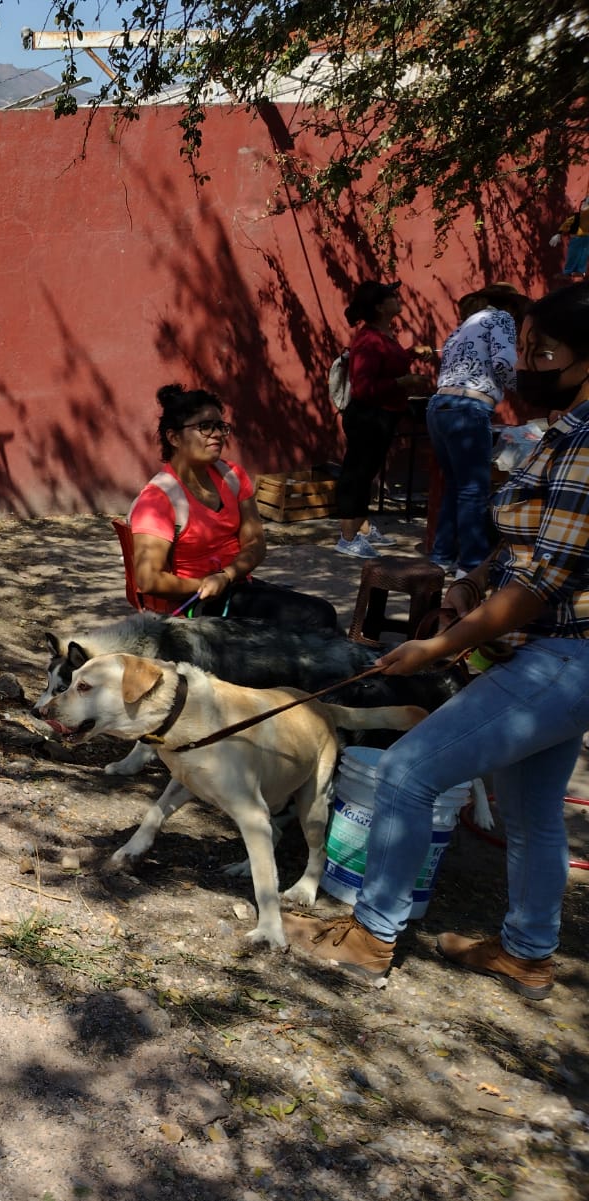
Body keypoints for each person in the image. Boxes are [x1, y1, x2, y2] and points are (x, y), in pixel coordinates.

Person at [285, 281, 589, 998]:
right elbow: (526, 544)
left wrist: (442, 644)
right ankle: (528, 951)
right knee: (532, 810)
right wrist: (475, 577)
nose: (526, 365)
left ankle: (371, 934)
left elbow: (543, 582)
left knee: (408, 771)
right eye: (525, 349)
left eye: (542, 350)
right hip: (548, 652)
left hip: (561, 657)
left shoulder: (588, 440)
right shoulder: (564, 431)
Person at [128, 383, 339, 631]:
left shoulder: (232, 475)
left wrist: (226, 575)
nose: (217, 434)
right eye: (205, 427)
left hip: (234, 586)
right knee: (318, 617)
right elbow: (148, 579)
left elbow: (255, 543)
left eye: (220, 426)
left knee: (325, 622)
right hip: (196, 604)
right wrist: (203, 584)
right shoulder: (158, 499)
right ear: (173, 437)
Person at [425, 283, 530, 575]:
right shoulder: (501, 319)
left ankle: (441, 557)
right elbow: (504, 362)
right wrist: (530, 389)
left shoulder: (462, 327)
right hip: (468, 409)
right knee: (473, 490)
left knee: (455, 486)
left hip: (439, 408)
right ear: (510, 306)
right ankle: (470, 565)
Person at [333, 279, 435, 559]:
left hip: (384, 415)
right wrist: (403, 382)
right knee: (356, 473)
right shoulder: (368, 341)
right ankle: (347, 536)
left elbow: (388, 364)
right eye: (392, 296)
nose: (398, 298)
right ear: (379, 306)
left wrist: (411, 354)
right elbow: (363, 388)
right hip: (368, 416)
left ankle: (362, 527)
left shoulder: (384, 335)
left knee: (367, 473)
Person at [549, 196, 589, 282]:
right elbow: (567, 224)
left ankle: (580, 271)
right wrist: (559, 233)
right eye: (584, 203)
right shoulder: (576, 217)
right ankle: (569, 272)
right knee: (573, 254)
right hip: (576, 238)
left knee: (583, 255)